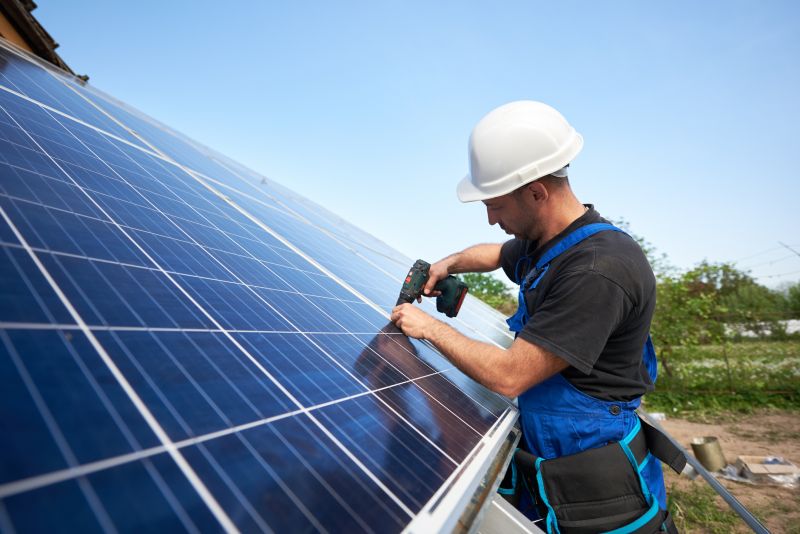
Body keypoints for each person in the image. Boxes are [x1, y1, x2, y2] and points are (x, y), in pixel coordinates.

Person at [391, 101, 675, 531]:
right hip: (555, 454)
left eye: (496, 206)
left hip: (594, 474)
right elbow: (495, 254)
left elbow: (510, 376)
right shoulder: (550, 242)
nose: (491, 219)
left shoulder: (596, 270)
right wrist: (447, 264)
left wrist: (430, 328)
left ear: (537, 192)